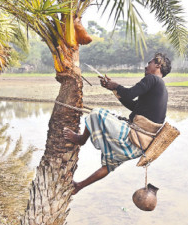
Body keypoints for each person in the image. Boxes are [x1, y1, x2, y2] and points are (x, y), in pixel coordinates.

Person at [63, 53, 171, 195]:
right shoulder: (160, 88)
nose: (146, 66)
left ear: (158, 65)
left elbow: (130, 93)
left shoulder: (152, 79)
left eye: (150, 63)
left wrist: (115, 85)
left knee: (97, 113)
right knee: (108, 165)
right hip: (139, 147)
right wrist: (114, 89)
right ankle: (78, 187)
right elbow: (134, 106)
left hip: (132, 137)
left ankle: (81, 139)